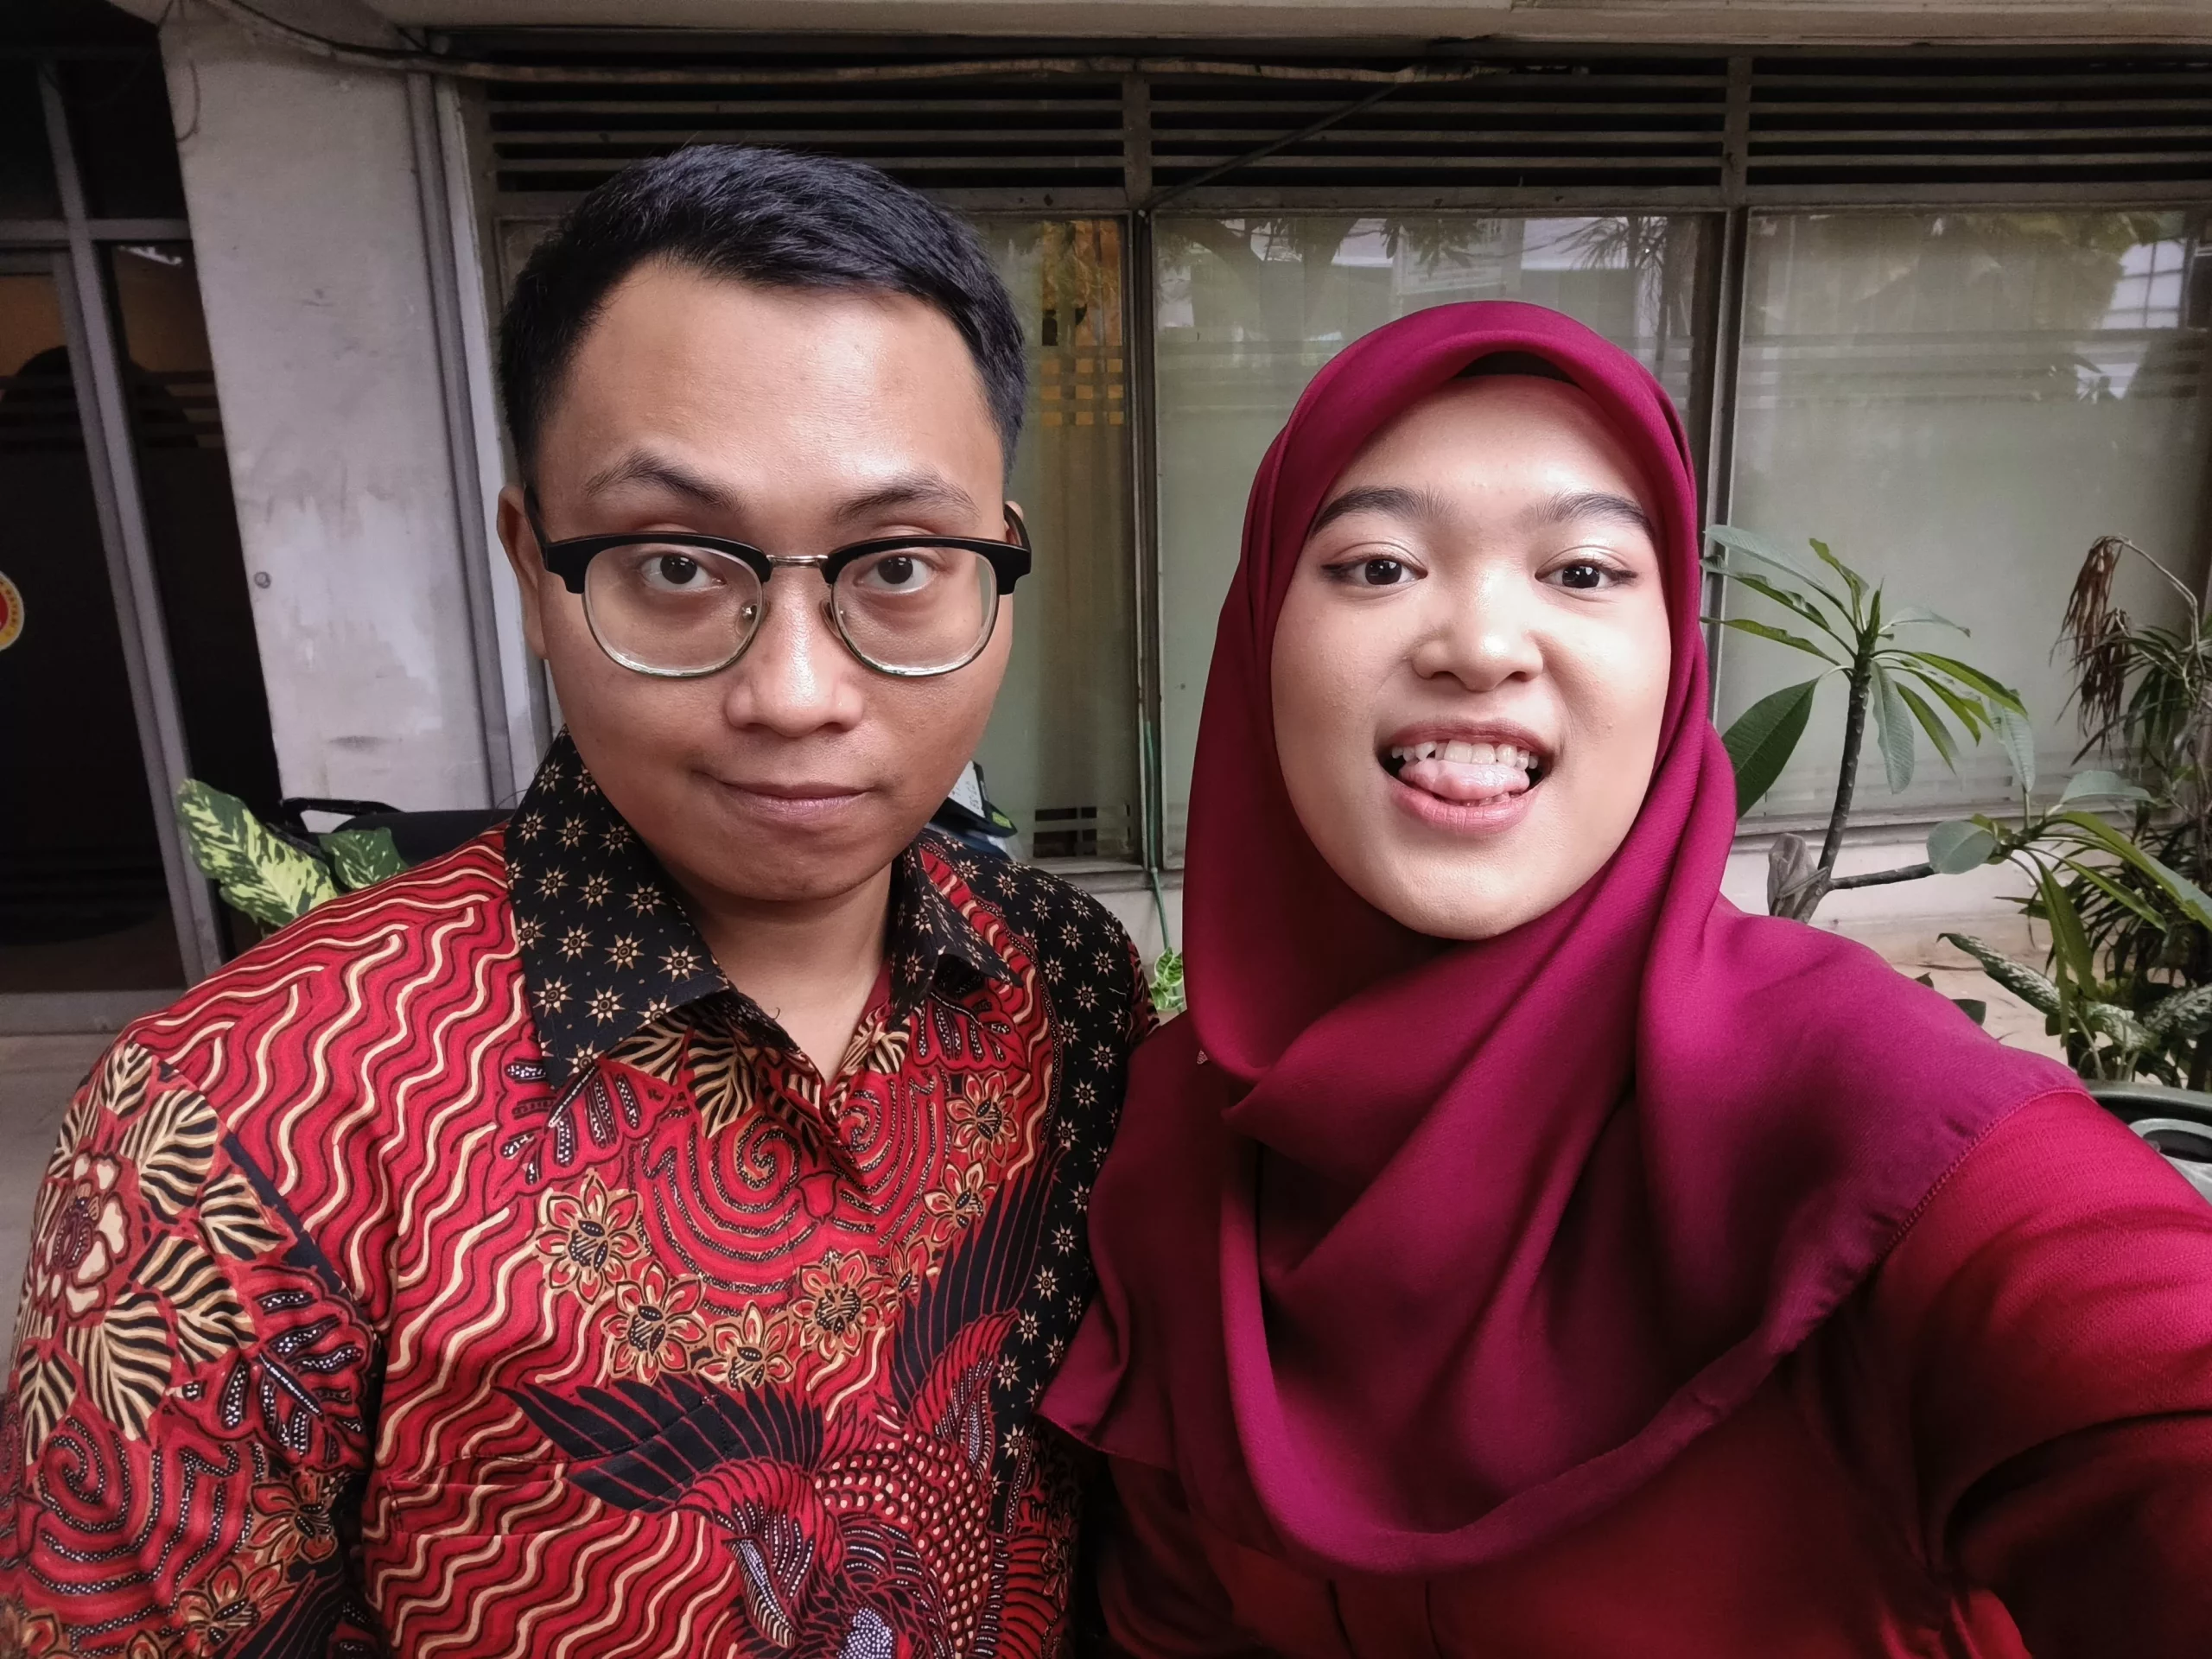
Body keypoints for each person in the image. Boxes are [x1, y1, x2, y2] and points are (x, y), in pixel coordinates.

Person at [1, 147, 1151, 1658]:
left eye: (898, 564)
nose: (796, 692)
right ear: (535, 566)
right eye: (675, 564)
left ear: (999, 562)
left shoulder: (1068, 985)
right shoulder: (241, 1120)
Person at [1044, 302, 2212, 1656]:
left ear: (1675, 659)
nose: (1482, 644)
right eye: (1376, 566)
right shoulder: (1180, 1144)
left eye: (1586, 571)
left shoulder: (1880, 1124)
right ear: (1260, 638)